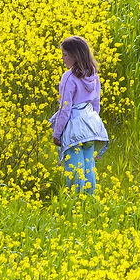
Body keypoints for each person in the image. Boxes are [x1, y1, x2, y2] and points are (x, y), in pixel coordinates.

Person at [51, 35, 109, 193]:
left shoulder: (68, 78)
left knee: (75, 168)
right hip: (91, 125)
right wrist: (94, 124)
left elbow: (65, 109)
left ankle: (75, 201)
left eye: (65, 54)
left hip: (74, 127)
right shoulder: (93, 75)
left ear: (75, 56)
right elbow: (96, 103)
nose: (62, 58)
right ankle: (88, 200)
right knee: (89, 165)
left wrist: (57, 133)